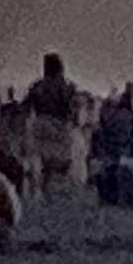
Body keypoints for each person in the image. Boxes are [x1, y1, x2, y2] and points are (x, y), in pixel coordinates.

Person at [24, 53, 82, 199]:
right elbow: (73, 110)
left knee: (43, 162)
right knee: (61, 164)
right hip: (59, 126)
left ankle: (43, 190)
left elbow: (26, 106)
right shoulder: (67, 86)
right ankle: (56, 193)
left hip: (40, 125)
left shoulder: (38, 86)